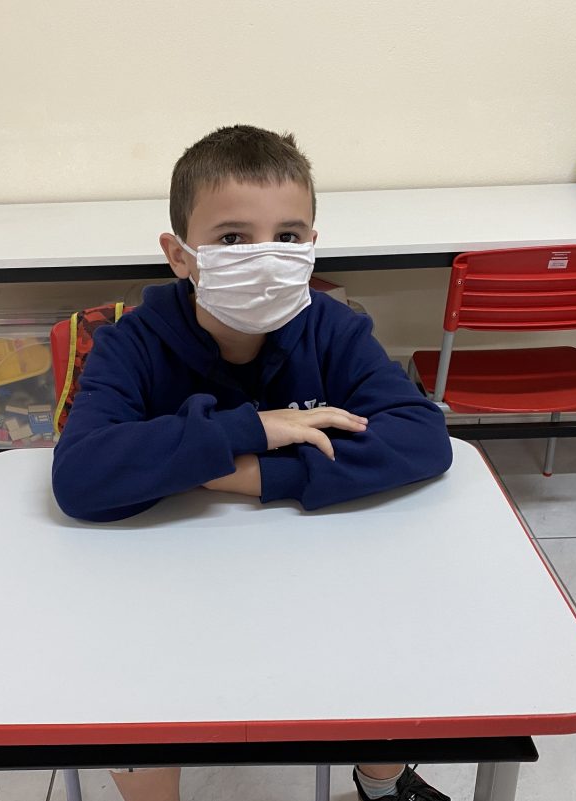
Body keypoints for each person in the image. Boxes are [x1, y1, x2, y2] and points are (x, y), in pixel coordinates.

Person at [52, 125, 453, 801]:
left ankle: (381, 783)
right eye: (234, 238)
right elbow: (82, 476)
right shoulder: (132, 343)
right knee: (132, 671)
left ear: (312, 244)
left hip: (318, 570)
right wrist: (256, 428)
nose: (265, 258)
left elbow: (421, 437)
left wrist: (247, 471)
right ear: (179, 255)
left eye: (287, 236)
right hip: (167, 582)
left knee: (390, 631)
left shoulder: (332, 328)